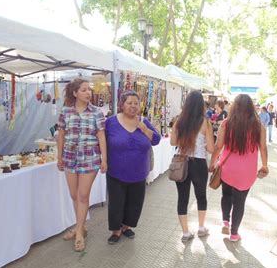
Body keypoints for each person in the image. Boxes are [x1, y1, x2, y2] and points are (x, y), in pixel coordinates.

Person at [209, 94, 268, 242]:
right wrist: (265, 165)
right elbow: (263, 148)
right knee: (240, 202)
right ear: (251, 108)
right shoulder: (258, 126)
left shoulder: (226, 124)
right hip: (247, 172)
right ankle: (234, 234)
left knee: (226, 195)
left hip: (227, 169)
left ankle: (225, 221)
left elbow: (218, 147)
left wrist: (212, 162)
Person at [57, 78, 107, 252]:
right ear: (75, 93)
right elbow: (61, 134)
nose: (88, 92)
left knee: (83, 195)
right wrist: (59, 156)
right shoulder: (65, 112)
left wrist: (104, 159)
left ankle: (78, 232)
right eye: (84, 90)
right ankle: (82, 227)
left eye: (89, 90)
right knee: (73, 195)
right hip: (70, 157)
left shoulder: (97, 112)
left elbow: (101, 136)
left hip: (90, 158)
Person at [105, 91, 161, 244]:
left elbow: (156, 140)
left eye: (136, 103)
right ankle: (115, 230)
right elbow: (101, 142)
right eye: (129, 103)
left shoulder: (144, 121)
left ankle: (126, 226)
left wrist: (144, 129)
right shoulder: (110, 122)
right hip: (116, 171)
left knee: (135, 202)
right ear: (122, 104)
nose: (133, 106)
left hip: (139, 172)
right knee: (116, 202)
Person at [170, 91, 215, 241]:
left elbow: (172, 142)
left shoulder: (179, 121)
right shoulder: (205, 122)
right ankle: (201, 228)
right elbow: (210, 148)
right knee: (201, 196)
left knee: (182, 198)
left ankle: (185, 232)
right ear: (201, 105)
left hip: (182, 161)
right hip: (199, 163)